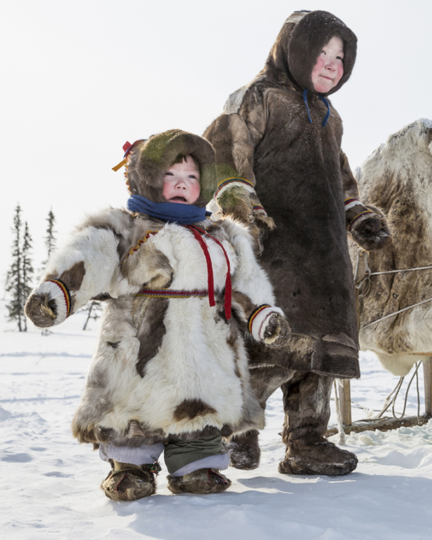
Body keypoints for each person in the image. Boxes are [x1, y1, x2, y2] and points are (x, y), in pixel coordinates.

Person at [25, 129, 289, 500]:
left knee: (201, 416)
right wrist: (57, 292)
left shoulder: (222, 236)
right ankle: (130, 469)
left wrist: (262, 315)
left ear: (205, 184)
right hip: (139, 355)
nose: (182, 183)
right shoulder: (126, 229)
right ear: (149, 179)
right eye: (171, 175)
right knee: (132, 415)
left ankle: (196, 467)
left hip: (204, 355)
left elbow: (246, 281)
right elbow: (91, 254)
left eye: (192, 177)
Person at [204, 10, 390, 476]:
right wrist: (239, 200)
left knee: (321, 353)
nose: (331, 64)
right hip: (274, 250)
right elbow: (227, 150)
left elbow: (343, 184)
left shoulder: (330, 116)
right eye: (322, 52)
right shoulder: (259, 97)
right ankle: (239, 428)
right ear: (295, 48)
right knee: (269, 346)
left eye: (341, 57)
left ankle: (307, 440)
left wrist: (358, 215)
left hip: (325, 258)